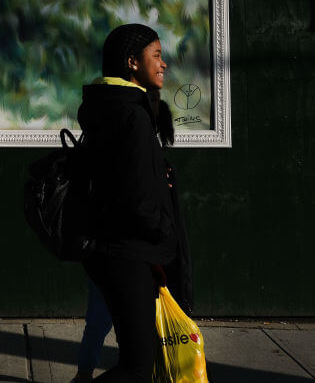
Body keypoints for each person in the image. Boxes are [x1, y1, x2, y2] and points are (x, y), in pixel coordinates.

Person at [75, 23, 185, 382]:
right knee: (138, 366)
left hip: (114, 249)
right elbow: (137, 197)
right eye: (156, 54)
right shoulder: (132, 114)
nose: (164, 63)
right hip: (130, 252)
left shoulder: (108, 107)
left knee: (138, 359)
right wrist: (162, 229)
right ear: (132, 63)